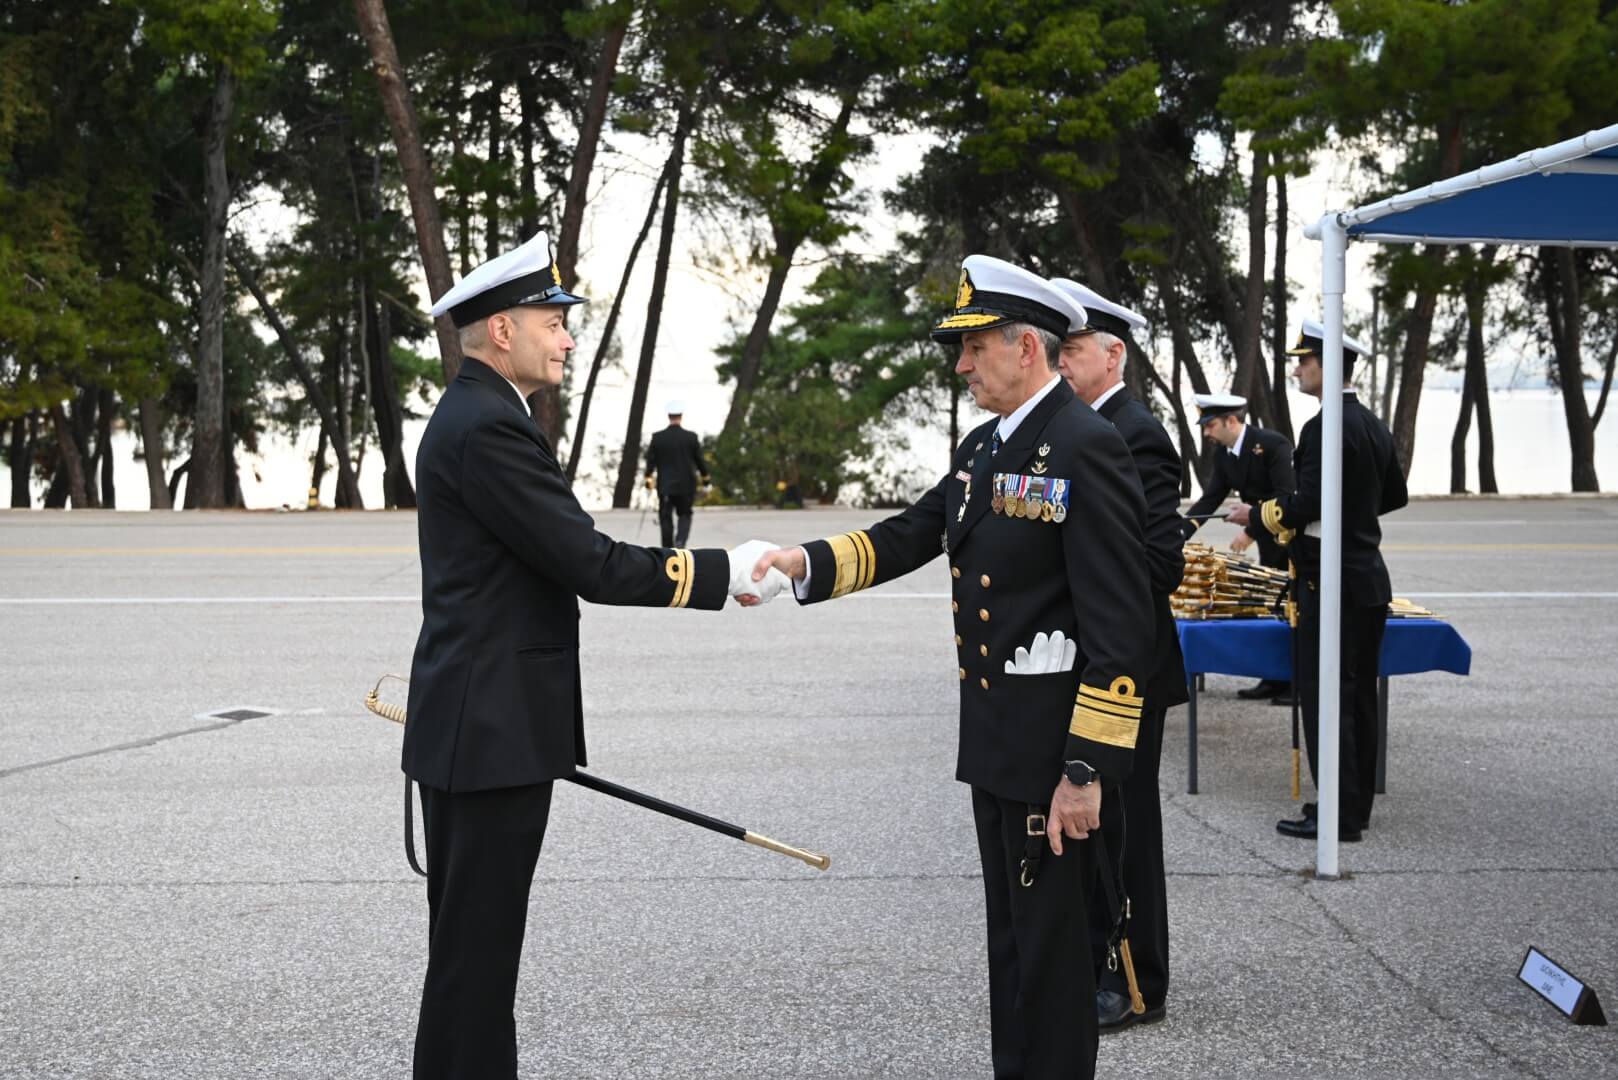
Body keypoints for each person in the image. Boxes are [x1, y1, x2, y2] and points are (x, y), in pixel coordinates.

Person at [750, 255, 1155, 1080]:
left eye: (974, 348)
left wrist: (1087, 770)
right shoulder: (986, 446)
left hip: (1054, 761)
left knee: (1051, 962)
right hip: (1000, 746)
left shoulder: (1087, 448)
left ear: (1026, 349)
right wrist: (805, 564)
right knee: (1013, 948)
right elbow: (909, 533)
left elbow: (1122, 628)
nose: (961, 365)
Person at [404, 230, 789, 1080]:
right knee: (476, 963)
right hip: (492, 737)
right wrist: (723, 576)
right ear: (502, 330)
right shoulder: (489, 429)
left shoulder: (479, 414)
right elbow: (589, 563)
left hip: (482, 730)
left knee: (473, 959)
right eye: (554, 321)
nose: (568, 338)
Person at [1050, 276, 1185, 1034]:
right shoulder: (1078, 426)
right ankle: (1103, 959)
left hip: (1128, 665)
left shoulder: (1135, 431)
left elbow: (1161, 560)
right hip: (1091, 659)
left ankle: (1140, 983)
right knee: (1100, 828)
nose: (1063, 363)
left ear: (1114, 356)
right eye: (1060, 349)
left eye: (1074, 350)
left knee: (1128, 833)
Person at [1227, 318, 1408, 843]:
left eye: (1304, 362)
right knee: (1357, 698)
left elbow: (1306, 501)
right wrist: (1351, 515)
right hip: (1366, 577)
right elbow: (1393, 495)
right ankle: (1351, 805)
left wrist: (1258, 514)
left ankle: (1336, 814)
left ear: (1328, 366)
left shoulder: (1324, 427)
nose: (1299, 370)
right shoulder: (1371, 423)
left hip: (1331, 583)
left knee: (1327, 697)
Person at [1182, 394, 1297, 701]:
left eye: (1210, 425)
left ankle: (1296, 683)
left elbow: (1285, 495)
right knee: (1270, 606)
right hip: (1268, 543)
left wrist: (1249, 529)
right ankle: (1273, 677)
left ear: (1231, 421)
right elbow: (1210, 499)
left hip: (1291, 541)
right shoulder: (1225, 455)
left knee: (1293, 610)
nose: (1207, 432)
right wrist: (1179, 531)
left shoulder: (1272, 445)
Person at [644, 400, 709, 546]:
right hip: (686, 486)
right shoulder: (691, 437)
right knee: (685, 514)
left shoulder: (658, 438)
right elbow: (700, 461)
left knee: (665, 516)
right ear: (681, 416)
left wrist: (648, 482)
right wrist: (706, 479)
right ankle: (680, 542)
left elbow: (650, 463)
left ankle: (667, 550)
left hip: (665, 486)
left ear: (669, 416)